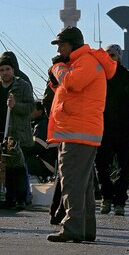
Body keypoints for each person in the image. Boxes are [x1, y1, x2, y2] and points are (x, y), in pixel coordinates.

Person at [46, 26, 116, 243]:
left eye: (62, 45)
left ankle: (73, 227)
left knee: (72, 182)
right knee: (83, 185)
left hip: (78, 132)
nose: (59, 49)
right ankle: (85, 228)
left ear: (72, 44)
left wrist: (57, 67)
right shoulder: (82, 62)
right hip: (82, 132)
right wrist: (58, 72)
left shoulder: (85, 61)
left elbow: (72, 83)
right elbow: (67, 88)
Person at [95, 44, 129, 216]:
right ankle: (106, 196)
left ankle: (120, 201)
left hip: (124, 128)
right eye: (107, 55)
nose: (110, 58)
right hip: (102, 128)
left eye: (113, 55)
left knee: (125, 166)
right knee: (101, 164)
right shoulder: (99, 76)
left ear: (119, 57)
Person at [0, 52, 34, 209]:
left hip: (17, 133)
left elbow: (30, 107)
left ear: (13, 70)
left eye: (7, 69)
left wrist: (15, 106)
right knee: (3, 167)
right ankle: (8, 198)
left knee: (17, 166)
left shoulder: (23, 86)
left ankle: (21, 198)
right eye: (2, 70)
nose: (5, 73)